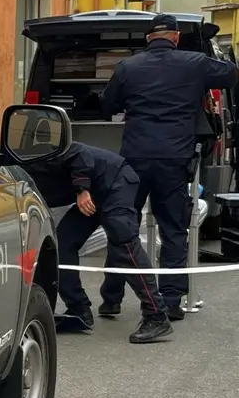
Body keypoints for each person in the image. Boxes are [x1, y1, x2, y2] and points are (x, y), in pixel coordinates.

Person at [99, 13, 238, 320]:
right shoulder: (194, 63)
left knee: (124, 226)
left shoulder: (128, 67)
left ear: (148, 37)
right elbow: (230, 74)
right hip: (174, 159)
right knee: (174, 229)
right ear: (175, 37)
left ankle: (112, 297)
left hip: (134, 158)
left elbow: (108, 105)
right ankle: (171, 300)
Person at [24, 141, 172, 344]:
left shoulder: (25, 157)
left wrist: (82, 189)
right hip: (93, 192)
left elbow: (79, 153)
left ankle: (157, 315)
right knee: (62, 244)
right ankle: (79, 310)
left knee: (125, 245)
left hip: (115, 180)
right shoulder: (9, 178)